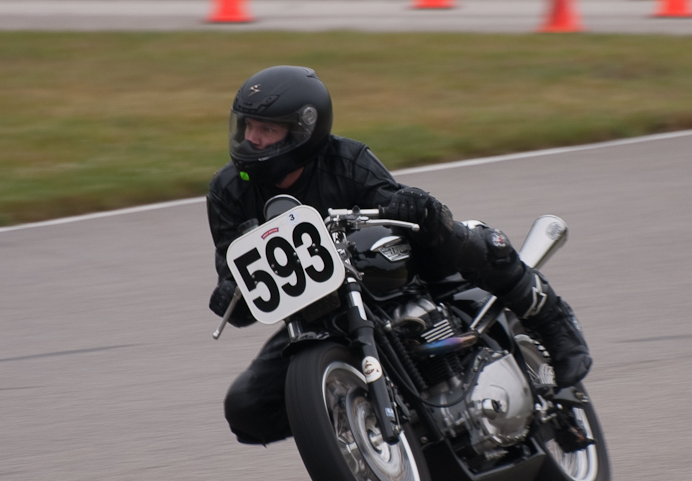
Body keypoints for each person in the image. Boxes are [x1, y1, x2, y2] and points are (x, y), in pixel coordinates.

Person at [207, 65, 591, 445]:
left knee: (452, 229)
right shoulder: (227, 191)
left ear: (304, 129)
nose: (252, 138)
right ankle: (350, 414)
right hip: (317, 316)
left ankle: (551, 317)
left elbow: (400, 212)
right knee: (247, 409)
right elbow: (235, 279)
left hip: (390, 277)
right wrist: (229, 293)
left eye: (267, 129)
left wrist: (412, 204)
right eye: (248, 126)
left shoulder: (347, 160)